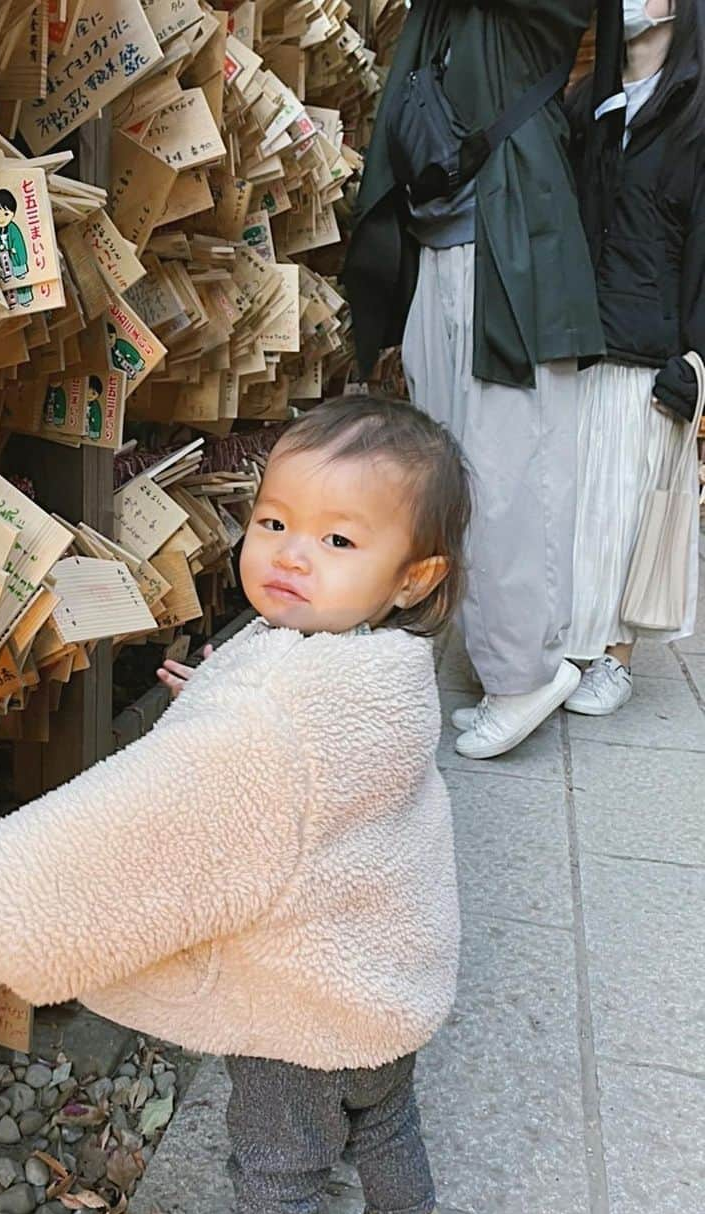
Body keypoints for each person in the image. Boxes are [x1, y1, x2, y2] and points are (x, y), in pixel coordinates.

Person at [0, 396, 471, 1214]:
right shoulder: (384, 667)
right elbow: (303, 770)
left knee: (281, 1153)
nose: (289, 553)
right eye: (274, 522)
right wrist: (220, 693)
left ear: (414, 576)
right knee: (384, 1117)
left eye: (336, 539)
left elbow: (136, 828)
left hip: (303, 1003)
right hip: (385, 977)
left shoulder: (271, 721)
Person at [345, 0, 615, 759]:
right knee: (463, 470)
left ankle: (521, 675)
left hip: (504, 256)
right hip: (450, 245)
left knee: (507, 474)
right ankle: (520, 663)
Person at [559, 0, 704, 713]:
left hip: (652, 342)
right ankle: (564, 647)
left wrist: (697, 355)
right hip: (578, 336)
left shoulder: (697, 107)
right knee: (574, 501)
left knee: (627, 507)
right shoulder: (588, 98)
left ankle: (614, 658)